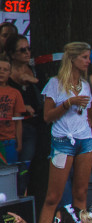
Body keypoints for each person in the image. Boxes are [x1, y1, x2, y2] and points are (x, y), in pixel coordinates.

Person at [39, 42, 92, 223]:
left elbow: (89, 114)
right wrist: (68, 102)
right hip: (63, 140)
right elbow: (47, 117)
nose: (88, 61)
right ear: (72, 59)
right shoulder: (55, 83)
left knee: (81, 193)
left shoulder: (85, 85)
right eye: (84, 57)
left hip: (85, 140)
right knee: (53, 196)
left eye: (89, 57)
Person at [6, 32, 41, 196]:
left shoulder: (34, 69)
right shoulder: (5, 74)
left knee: (26, 170)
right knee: (11, 169)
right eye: (22, 50)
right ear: (12, 54)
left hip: (33, 127)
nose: (27, 53)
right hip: (11, 130)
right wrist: (22, 106)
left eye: (29, 49)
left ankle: (20, 203)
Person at [0, 54, 24, 162]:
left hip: (9, 141)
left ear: (10, 73)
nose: (2, 72)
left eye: (5, 70)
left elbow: (18, 121)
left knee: (9, 174)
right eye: (0, 69)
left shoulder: (15, 93)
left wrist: (19, 142)